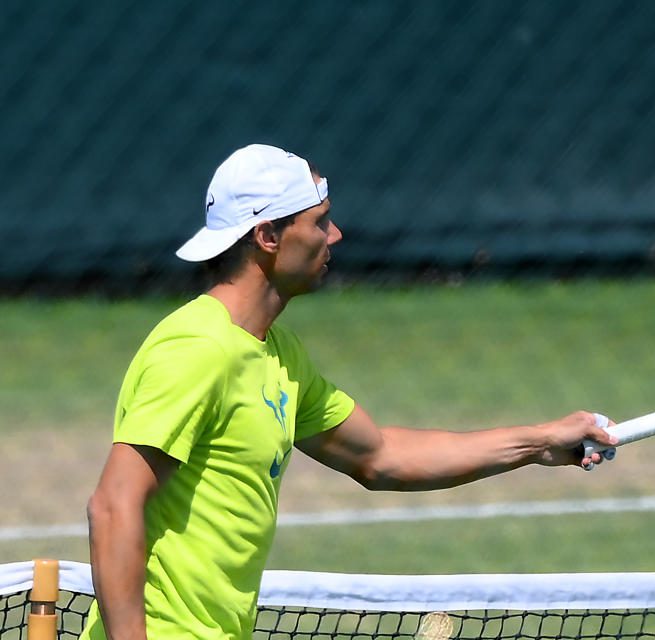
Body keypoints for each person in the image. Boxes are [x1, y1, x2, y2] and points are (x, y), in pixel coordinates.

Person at [81, 144, 617, 640]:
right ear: (268, 237)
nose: (334, 236)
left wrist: (539, 442)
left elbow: (381, 455)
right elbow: (113, 504)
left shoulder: (279, 355)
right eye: (320, 222)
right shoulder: (197, 348)